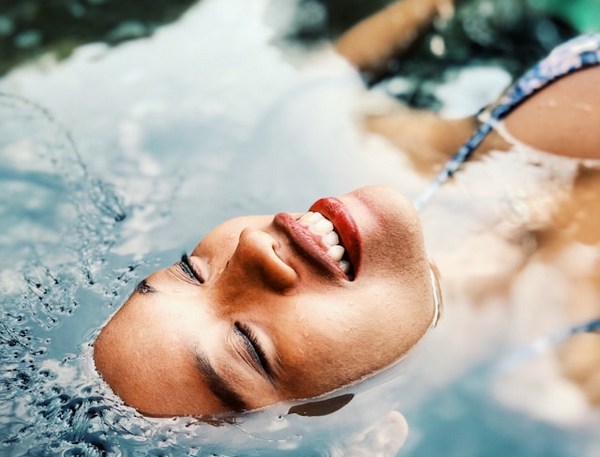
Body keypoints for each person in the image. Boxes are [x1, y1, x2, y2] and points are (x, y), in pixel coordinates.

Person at [94, 0, 600, 416]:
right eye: (247, 345)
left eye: (190, 270)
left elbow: (327, 80)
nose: (251, 246)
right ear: (369, 441)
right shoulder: (576, 387)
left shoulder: (341, 141)